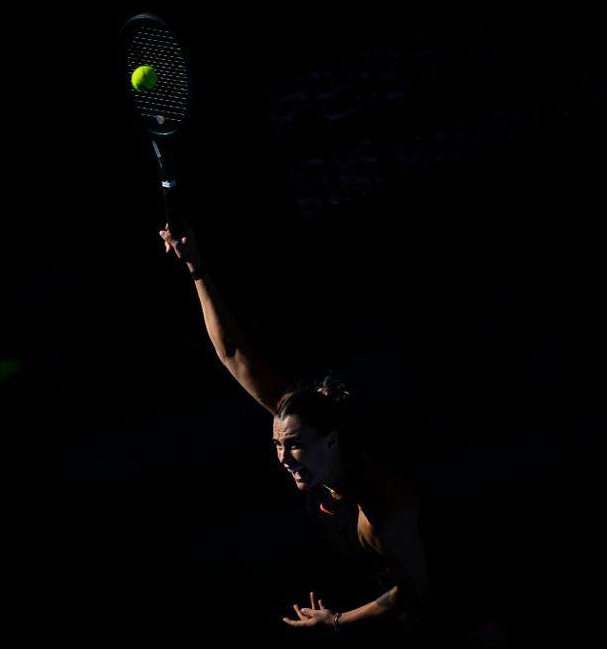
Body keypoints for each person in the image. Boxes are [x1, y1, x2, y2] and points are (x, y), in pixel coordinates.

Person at [158, 218, 433, 637]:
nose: (284, 457)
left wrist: (337, 621)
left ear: (331, 442)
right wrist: (196, 268)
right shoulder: (300, 419)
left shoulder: (382, 508)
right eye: (277, 445)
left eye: (294, 446)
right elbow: (234, 353)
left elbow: (416, 592)